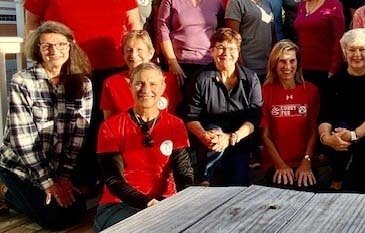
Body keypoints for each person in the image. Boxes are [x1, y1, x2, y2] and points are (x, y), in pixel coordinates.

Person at [24, 0, 140, 188]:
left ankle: (112, 178)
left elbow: (134, 24)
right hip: (68, 69)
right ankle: (78, 181)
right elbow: (31, 21)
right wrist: (39, 55)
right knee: (76, 128)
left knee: (108, 124)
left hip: (111, 66)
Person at [0, 21, 92, 229]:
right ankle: (5, 189)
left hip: (58, 167)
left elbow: (79, 135)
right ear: (38, 50)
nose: (54, 50)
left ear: (70, 46)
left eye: (60, 44)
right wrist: (49, 182)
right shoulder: (22, 81)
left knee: (78, 211)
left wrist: (65, 177)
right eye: (46, 45)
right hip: (21, 167)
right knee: (53, 220)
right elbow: (23, 140)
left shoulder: (82, 83)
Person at [94, 63, 193, 231]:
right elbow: (113, 179)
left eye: (153, 84)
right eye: (139, 83)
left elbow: (184, 171)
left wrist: (191, 202)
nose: (146, 89)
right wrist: (146, 203)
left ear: (163, 87)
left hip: (165, 202)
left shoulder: (175, 124)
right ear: (130, 85)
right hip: (119, 204)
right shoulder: (111, 127)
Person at [318, 29, 365, 193]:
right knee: (339, 131)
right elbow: (325, 115)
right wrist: (326, 138)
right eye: (352, 49)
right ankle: (336, 179)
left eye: (362, 49)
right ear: (344, 52)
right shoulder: (334, 81)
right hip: (342, 137)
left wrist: (353, 135)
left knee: (364, 184)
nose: (357, 54)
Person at [185, 28, 263, 186]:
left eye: (232, 48)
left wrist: (231, 138)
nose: (226, 52)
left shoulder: (251, 78)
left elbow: (254, 118)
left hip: (239, 140)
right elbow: (190, 116)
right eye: (221, 47)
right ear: (212, 51)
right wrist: (204, 135)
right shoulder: (200, 78)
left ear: (238, 51)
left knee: (238, 184)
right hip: (210, 142)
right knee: (215, 132)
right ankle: (205, 181)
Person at [157, 0, 224, 87]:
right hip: (180, 64)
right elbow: (162, 31)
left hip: (209, 64)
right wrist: (172, 62)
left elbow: (221, 32)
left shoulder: (215, 0)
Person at [261, 41, 320, 189]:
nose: (287, 67)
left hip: (304, 162)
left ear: (298, 63)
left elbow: (314, 131)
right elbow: (265, 135)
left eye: (292, 61)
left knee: (306, 191)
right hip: (276, 162)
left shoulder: (311, 90)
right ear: (274, 63)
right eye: (282, 61)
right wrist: (280, 165)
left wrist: (306, 162)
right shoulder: (265, 91)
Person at [100, 30, 181, 118]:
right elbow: (108, 122)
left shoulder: (168, 79)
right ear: (123, 54)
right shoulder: (112, 83)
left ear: (150, 53)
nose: (133, 55)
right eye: (129, 50)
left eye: (140, 50)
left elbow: (173, 117)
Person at [225, 0, 274, 81]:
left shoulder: (267, 4)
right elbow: (232, 39)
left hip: (267, 69)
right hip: (247, 69)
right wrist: (241, 69)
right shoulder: (236, 2)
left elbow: (273, 37)